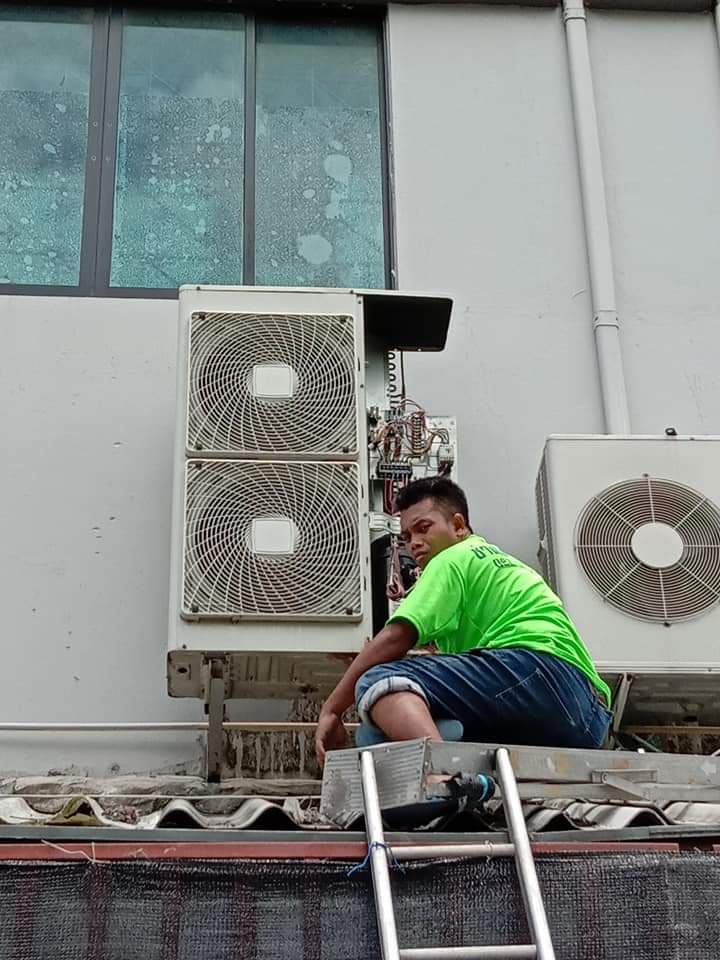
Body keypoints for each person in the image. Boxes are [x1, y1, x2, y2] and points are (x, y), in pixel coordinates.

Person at [315, 476, 612, 765]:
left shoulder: (450, 559)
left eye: (423, 529)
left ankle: (438, 776)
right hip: (587, 716)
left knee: (377, 682)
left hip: (532, 673)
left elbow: (397, 636)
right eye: (406, 537)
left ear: (458, 526)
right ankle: (469, 786)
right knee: (385, 729)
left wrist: (332, 709)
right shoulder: (500, 562)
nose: (414, 543)